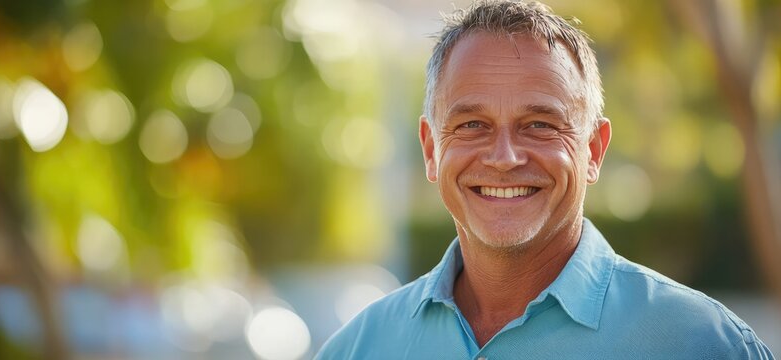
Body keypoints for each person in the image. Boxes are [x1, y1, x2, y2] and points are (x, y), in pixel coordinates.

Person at [316, 1, 775, 359]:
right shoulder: (357, 349)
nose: (504, 158)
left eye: (539, 124)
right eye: (472, 125)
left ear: (593, 150)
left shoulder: (702, 347)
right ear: (432, 149)